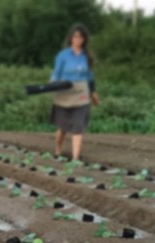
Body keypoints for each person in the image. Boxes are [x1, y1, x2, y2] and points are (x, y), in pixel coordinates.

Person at [49, 24, 100, 161]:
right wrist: (52, 84)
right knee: (63, 127)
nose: (78, 40)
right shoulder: (63, 55)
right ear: (71, 38)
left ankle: (75, 158)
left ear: (84, 39)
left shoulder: (86, 56)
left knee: (78, 125)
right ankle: (58, 149)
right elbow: (56, 73)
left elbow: (90, 76)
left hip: (81, 92)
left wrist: (93, 92)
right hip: (65, 90)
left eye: (81, 37)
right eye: (75, 37)